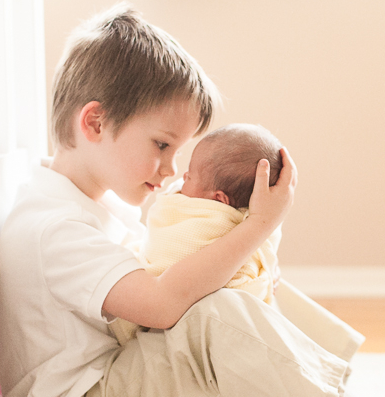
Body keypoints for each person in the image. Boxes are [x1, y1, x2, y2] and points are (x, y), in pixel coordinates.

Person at [0, 3, 385, 397]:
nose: (170, 170)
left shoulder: (88, 202)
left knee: (245, 280)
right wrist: (256, 227)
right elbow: (164, 306)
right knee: (216, 310)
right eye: (162, 145)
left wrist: (248, 256)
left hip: (112, 393)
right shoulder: (54, 228)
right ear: (95, 122)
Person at [109, 123, 284, 347]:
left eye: (190, 177)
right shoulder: (256, 221)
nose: (181, 177)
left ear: (219, 199)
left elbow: (166, 260)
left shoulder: (208, 224)